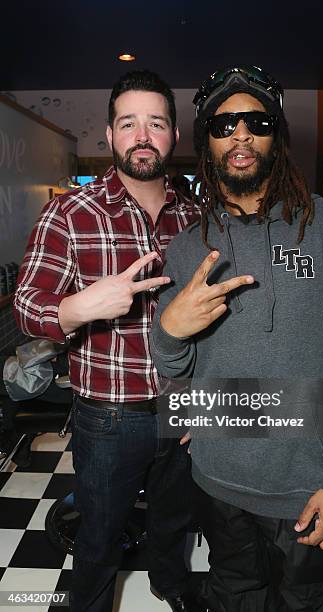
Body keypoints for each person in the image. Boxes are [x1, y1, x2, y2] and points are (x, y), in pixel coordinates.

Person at [150, 66, 323, 611]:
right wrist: (169, 338)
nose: (240, 134)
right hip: (218, 485)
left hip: (312, 490)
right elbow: (175, 370)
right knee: (234, 599)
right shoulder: (189, 247)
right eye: (224, 123)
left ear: (275, 136)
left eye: (255, 121)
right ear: (206, 142)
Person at [14, 70, 199, 612]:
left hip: (183, 406)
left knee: (175, 520)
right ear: (110, 134)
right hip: (109, 414)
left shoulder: (197, 215)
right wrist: (77, 309)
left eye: (156, 123)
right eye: (129, 123)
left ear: (174, 136)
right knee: (99, 533)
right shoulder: (69, 213)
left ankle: (171, 584)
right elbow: (27, 305)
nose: (143, 135)